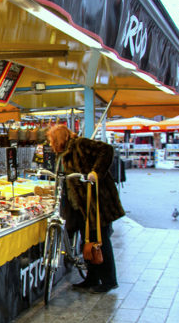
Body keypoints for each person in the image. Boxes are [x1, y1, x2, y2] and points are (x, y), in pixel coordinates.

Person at [47, 124, 124, 293]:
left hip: (96, 202)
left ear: (59, 138)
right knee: (87, 241)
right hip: (81, 206)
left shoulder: (80, 144)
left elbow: (107, 150)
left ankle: (109, 280)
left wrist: (96, 173)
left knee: (100, 240)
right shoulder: (63, 153)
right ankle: (92, 278)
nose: (51, 143)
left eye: (52, 140)